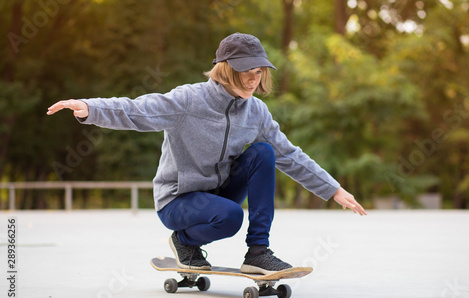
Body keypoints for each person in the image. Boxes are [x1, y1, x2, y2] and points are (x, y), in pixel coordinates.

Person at [47, 33, 367, 274]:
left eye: (259, 71)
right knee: (230, 217)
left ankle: (258, 252)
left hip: (219, 192)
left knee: (264, 152)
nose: (254, 79)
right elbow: (137, 110)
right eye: (246, 71)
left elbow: (289, 154)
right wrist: (89, 108)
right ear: (226, 70)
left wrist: (333, 189)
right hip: (177, 200)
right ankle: (183, 241)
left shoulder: (256, 112)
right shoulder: (189, 101)